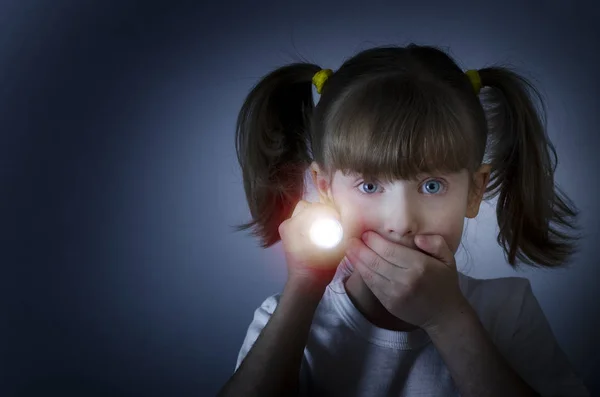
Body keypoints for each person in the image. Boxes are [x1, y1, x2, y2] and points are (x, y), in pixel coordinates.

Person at [217, 44, 590, 397]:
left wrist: (446, 318)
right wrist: (303, 286)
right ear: (326, 190)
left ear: (475, 191)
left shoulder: (509, 311)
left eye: (431, 185)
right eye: (369, 185)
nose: (401, 222)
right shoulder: (286, 316)